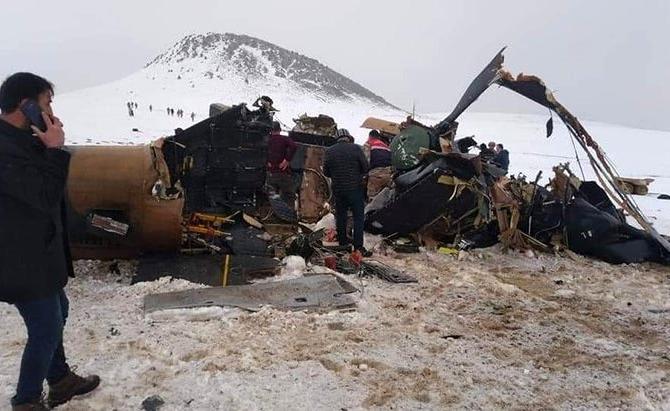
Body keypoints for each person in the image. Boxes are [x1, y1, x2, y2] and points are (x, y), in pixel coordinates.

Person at [0, 73, 101, 410]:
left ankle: (59, 380)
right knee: (45, 328)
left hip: (39, 252)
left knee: (61, 310)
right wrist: (56, 151)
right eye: (46, 102)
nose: (51, 110)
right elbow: (42, 196)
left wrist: (47, 145)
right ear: (24, 105)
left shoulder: (23, 139)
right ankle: (26, 401)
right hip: (17, 258)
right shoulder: (3, 148)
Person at [323, 129, 371, 256]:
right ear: (348, 137)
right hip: (355, 189)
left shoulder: (329, 151)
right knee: (358, 217)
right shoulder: (355, 148)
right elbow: (366, 167)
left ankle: (343, 244)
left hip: (338, 190)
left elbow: (326, 172)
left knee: (341, 217)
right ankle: (358, 247)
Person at [266, 121, 297, 207]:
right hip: (282, 172)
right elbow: (294, 146)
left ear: (270, 130)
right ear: (279, 130)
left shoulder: (267, 139)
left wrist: (266, 160)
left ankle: (270, 217)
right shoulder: (284, 139)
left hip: (269, 173)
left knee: (270, 196)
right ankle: (289, 216)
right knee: (288, 195)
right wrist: (287, 160)